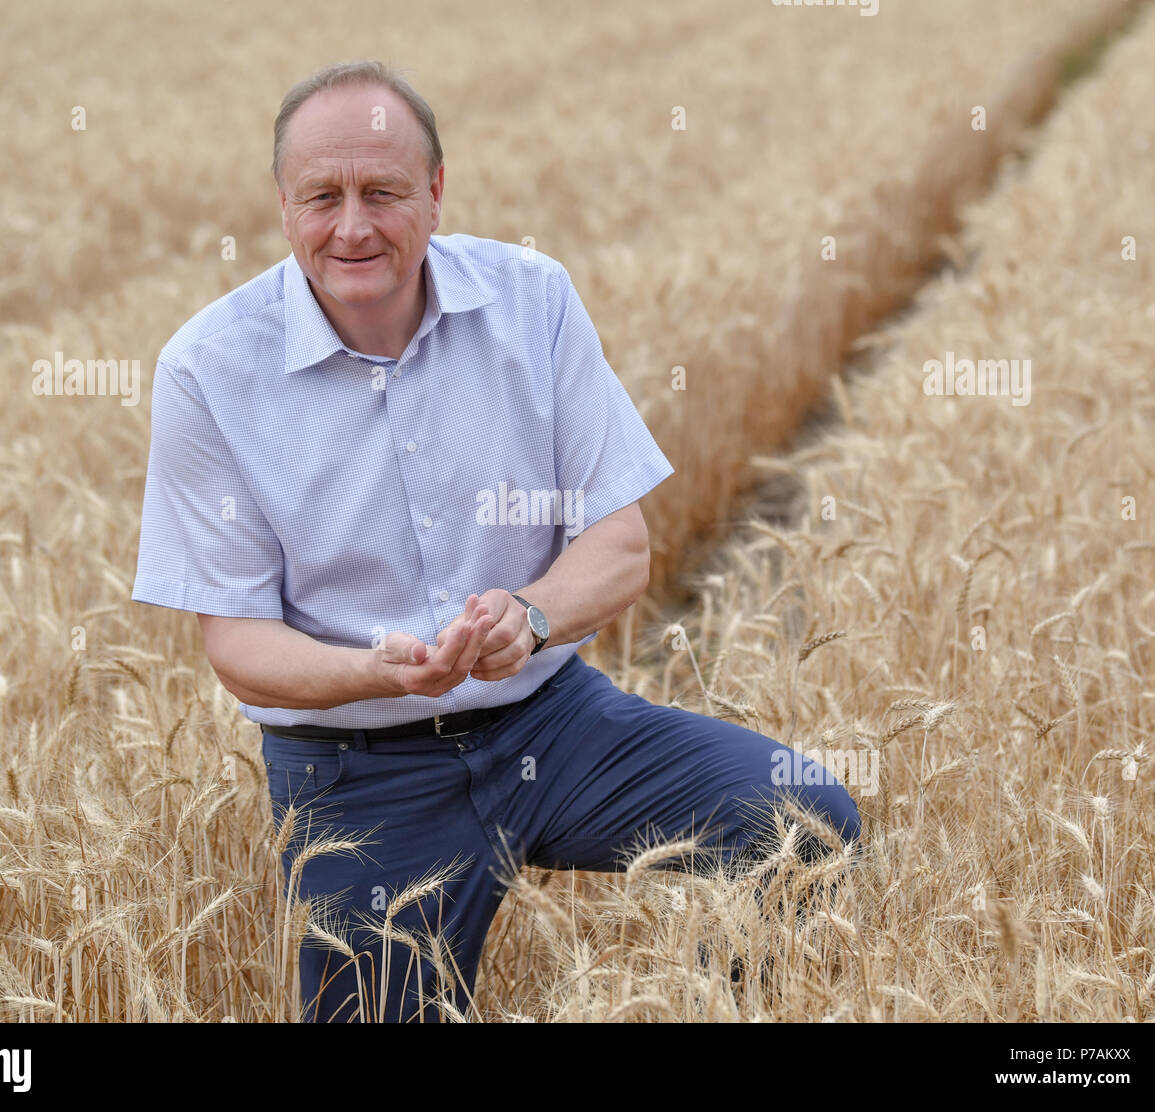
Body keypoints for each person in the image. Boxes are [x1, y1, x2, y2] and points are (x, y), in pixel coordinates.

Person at [131, 59, 860, 1022]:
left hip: (551, 723)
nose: (352, 227)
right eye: (323, 197)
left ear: (435, 193)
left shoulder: (532, 301)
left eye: (383, 192)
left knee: (806, 822)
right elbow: (239, 649)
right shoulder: (208, 372)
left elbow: (620, 543)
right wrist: (381, 672)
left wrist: (532, 613)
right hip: (358, 779)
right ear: (282, 206)